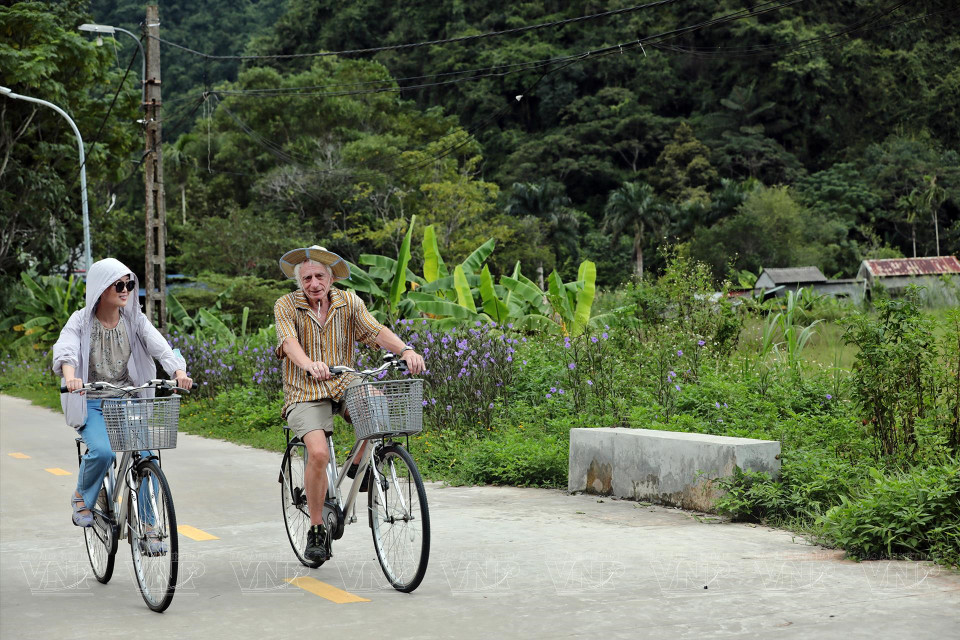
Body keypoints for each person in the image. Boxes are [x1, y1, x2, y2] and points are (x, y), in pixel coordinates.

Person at [274, 245, 425, 561]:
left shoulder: (349, 302)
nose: (314, 283)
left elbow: (376, 331)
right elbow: (288, 343)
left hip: (344, 380)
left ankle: (363, 467)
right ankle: (317, 529)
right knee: (317, 453)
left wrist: (406, 350)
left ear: (330, 277)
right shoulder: (286, 305)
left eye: (319, 276)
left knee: (377, 408)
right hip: (304, 389)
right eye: (307, 278)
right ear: (299, 281)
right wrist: (307, 364)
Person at [52, 258, 192, 553]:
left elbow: (160, 346)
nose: (126, 289)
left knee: (146, 456)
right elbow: (66, 351)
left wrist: (178, 371)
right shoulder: (80, 321)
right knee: (102, 452)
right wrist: (71, 377)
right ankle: (82, 496)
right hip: (91, 399)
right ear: (102, 289)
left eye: (129, 284)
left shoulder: (134, 319)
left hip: (126, 399)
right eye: (120, 284)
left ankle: (150, 528)